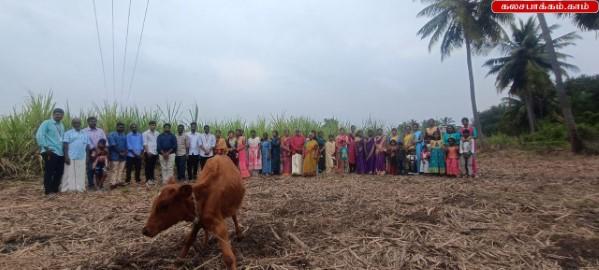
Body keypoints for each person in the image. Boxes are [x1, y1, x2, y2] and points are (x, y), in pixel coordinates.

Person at [36, 108, 66, 195]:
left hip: (60, 152)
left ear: (62, 116)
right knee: (49, 171)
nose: (59, 116)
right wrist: (46, 147)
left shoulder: (61, 125)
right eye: (57, 114)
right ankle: (48, 191)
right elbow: (39, 135)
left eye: (60, 114)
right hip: (50, 151)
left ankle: (55, 189)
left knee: (60, 171)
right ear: (53, 114)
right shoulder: (47, 123)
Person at [60, 118, 88, 192]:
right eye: (75, 123)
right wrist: (66, 156)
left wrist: (87, 156)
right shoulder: (68, 133)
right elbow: (65, 145)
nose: (77, 124)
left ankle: (80, 188)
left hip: (81, 156)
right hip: (70, 156)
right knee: (68, 173)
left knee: (81, 173)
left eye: (78, 123)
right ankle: (67, 189)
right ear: (72, 124)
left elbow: (87, 146)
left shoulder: (84, 133)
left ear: (80, 124)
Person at [83, 116, 106, 190]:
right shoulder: (84, 131)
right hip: (89, 152)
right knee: (90, 168)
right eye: (91, 121)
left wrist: (104, 150)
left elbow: (105, 140)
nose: (93, 122)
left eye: (95, 121)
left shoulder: (100, 131)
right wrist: (93, 148)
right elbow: (85, 142)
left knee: (100, 169)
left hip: (101, 152)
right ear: (88, 122)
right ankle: (91, 185)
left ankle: (99, 185)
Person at [108, 122, 127, 189]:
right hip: (115, 155)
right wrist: (119, 152)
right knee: (114, 169)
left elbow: (126, 145)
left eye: (122, 127)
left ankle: (119, 181)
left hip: (123, 155)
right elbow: (113, 145)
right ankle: (113, 183)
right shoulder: (112, 134)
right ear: (116, 127)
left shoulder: (124, 135)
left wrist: (125, 152)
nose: (121, 128)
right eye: (120, 127)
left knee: (121, 169)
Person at [143, 121, 160, 185]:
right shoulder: (145, 133)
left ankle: (152, 178)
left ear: (155, 125)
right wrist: (147, 152)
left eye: (154, 125)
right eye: (152, 125)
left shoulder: (157, 133)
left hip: (155, 152)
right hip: (149, 152)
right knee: (148, 166)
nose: (153, 126)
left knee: (152, 166)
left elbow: (158, 142)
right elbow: (145, 143)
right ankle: (148, 179)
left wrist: (158, 152)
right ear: (149, 125)